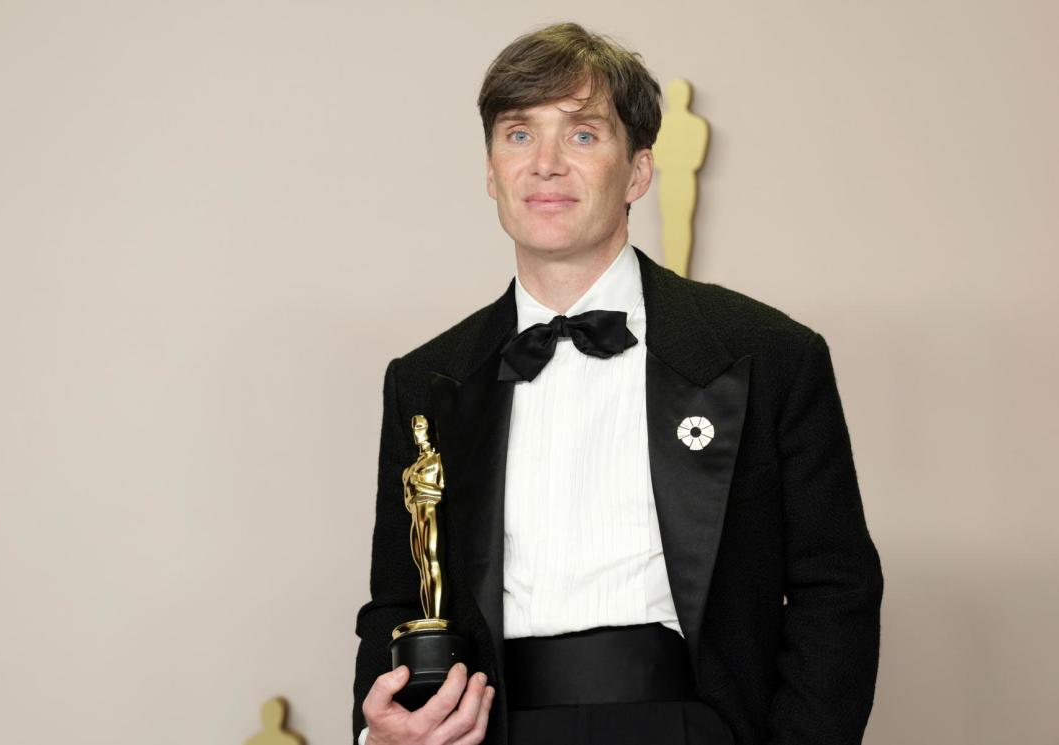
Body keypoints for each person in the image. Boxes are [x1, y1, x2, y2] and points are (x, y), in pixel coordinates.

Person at [351, 21, 883, 745]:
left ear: (637, 171)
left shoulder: (768, 353)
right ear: (489, 171)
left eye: (581, 135)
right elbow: (397, 600)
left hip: (694, 726)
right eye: (518, 135)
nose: (544, 165)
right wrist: (382, 731)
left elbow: (836, 589)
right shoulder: (426, 380)